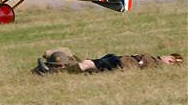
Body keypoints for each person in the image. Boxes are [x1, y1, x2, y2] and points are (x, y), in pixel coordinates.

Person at [31, 47, 183, 75]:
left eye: (170, 59)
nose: (166, 58)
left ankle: (50, 72)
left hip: (120, 63)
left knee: (87, 64)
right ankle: (53, 66)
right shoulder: (154, 60)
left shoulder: (155, 63)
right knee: (86, 63)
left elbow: (140, 66)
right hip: (117, 60)